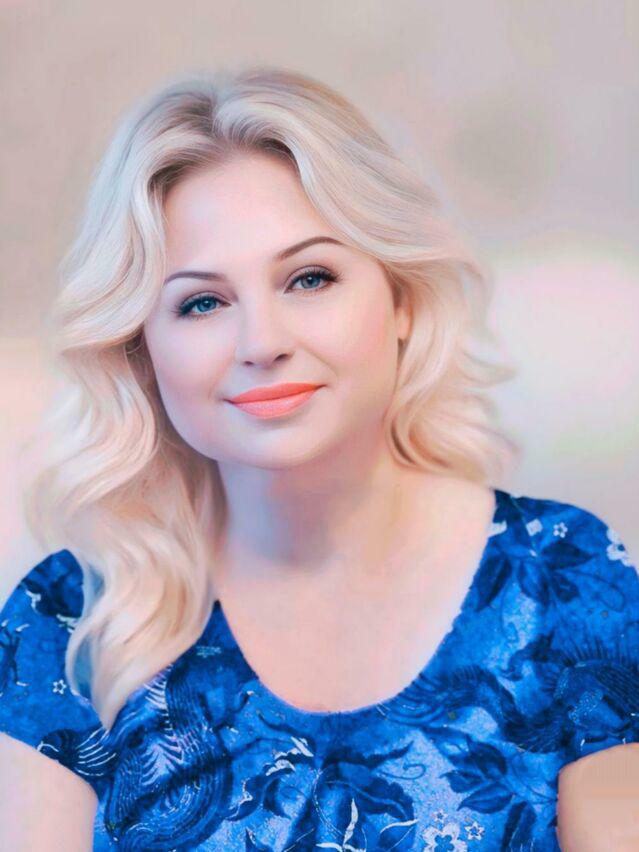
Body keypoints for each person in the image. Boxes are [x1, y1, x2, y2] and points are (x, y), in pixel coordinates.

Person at [0, 66, 637, 851]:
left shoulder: (564, 583)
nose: (262, 342)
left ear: (400, 301)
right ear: (142, 352)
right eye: (202, 302)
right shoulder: (68, 623)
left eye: (309, 278)